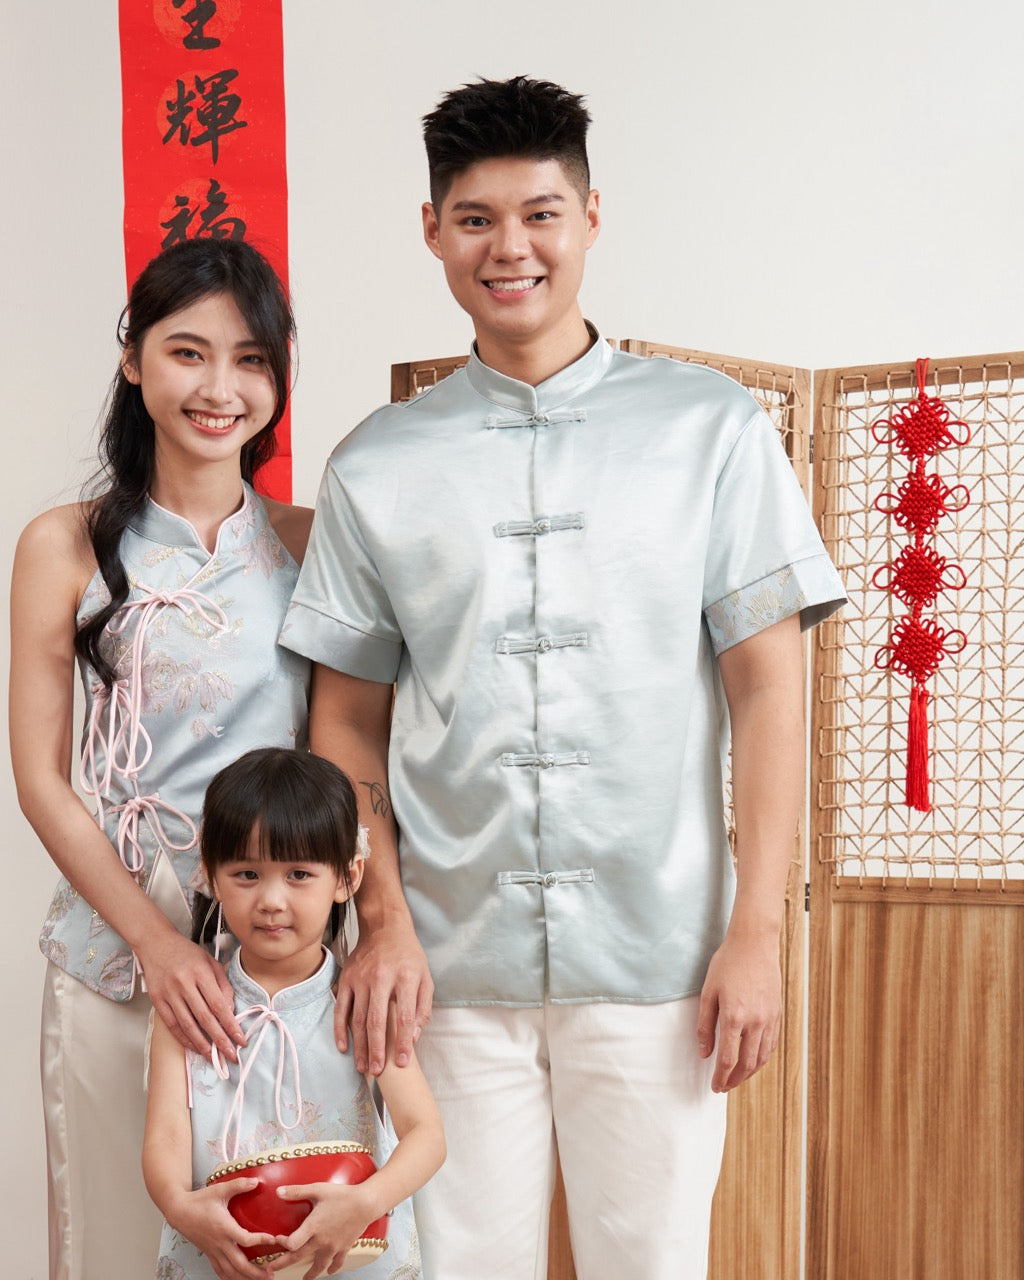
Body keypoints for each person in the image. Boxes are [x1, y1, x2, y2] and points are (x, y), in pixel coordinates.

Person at [280, 76, 846, 1280]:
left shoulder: (710, 427)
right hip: (445, 970)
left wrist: (755, 933)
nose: (511, 247)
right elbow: (347, 716)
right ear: (431, 230)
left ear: (591, 215)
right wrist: (383, 922)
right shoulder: (377, 463)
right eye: (475, 218)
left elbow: (768, 687)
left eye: (540, 213)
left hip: (663, 960)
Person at [10, 238, 313, 1280]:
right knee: (108, 1249)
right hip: (112, 957)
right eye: (188, 352)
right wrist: (155, 942)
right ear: (133, 358)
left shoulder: (311, 543)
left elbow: (341, 757)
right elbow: (41, 779)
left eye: (250, 359)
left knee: (266, 1248)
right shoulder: (64, 542)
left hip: (273, 964)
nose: (220, 388)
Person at [144, 747, 444, 1280]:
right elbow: (166, 1137)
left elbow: (426, 1135)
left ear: (348, 877)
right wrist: (179, 1206)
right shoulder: (192, 1007)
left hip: (350, 1255)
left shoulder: (360, 1003)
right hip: (224, 1255)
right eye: (247, 873)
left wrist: (367, 1201)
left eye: (299, 873)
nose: (272, 900)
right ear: (210, 876)